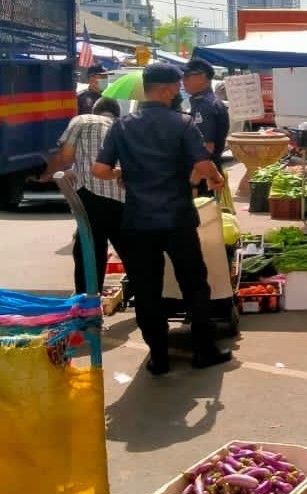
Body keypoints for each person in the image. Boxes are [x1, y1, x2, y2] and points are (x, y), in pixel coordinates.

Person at [93, 62, 232, 376]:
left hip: (138, 221)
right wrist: (216, 178)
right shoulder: (182, 123)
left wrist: (124, 173)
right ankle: (204, 351)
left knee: (146, 289)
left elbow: (100, 170)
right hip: (177, 218)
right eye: (176, 86)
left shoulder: (122, 126)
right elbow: (203, 164)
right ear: (168, 89)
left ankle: (159, 356)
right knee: (194, 284)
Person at [39, 97, 127, 295]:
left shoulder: (83, 120)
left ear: (95, 110)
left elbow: (66, 156)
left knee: (88, 250)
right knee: (129, 252)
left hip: (92, 194)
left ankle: (87, 301)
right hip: (123, 198)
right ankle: (147, 300)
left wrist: (45, 175)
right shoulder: (124, 126)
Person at [182, 58, 230, 196]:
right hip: (208, 174)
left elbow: (206, 149)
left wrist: (193, 183)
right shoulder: (207, 102)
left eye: (187, 76)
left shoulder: (205, 106)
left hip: (203, 178)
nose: (183, 80)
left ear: (202, 77)